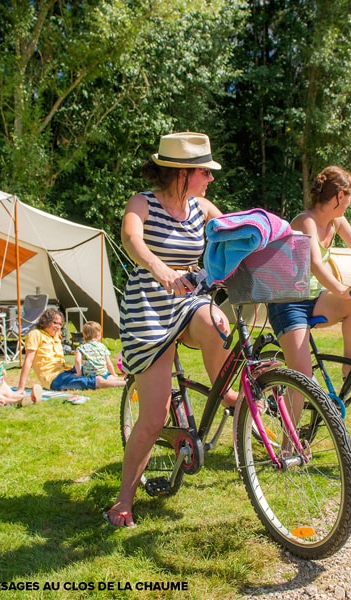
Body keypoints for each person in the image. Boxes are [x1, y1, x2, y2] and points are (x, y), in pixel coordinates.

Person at [105, 131, 238, 529]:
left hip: (186, 298)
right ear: (181, 172)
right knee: (153, 415)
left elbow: (234, 230)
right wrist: (159, 268)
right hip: (148, 302)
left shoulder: (201, 206)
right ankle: (123, 499)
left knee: (217, 321)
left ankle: (227, 395)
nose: (210, 178)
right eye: (204, 171)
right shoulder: (141, 202)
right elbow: (132, 238)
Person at [266, 165, 351, 385]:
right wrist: (341, 289)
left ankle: (350, 367)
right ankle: (292, 418)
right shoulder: (306, 221)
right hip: (288, 304)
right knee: (303, 380)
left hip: (314, 298)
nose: (350, 202)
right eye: (350, 196)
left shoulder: (335, 221)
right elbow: (315, 264)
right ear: (340, 196)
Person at [15, 308, 124, 395]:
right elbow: (28, 361)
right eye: (55, 323)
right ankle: (126, 384)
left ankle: (119, 379)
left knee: (96, 368)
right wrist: (21, 388)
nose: (58, 327)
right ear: (45, 321)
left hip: (66, 370)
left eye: (60, 324)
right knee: (93, 380)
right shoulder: (35, 334)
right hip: (54, 378)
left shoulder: (56, 334)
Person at [74, 321, 126, 387]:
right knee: (111, 377)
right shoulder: (102, 347)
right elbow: (108, 363)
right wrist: (113, 373)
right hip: (104, 373)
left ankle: (123, 382)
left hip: (91, 376)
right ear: (98, 335)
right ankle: (128, 381)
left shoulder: (81, 347)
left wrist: (79, 373)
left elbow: (77, 361)